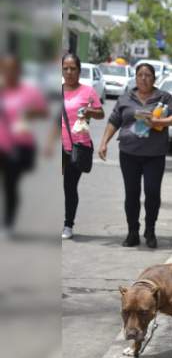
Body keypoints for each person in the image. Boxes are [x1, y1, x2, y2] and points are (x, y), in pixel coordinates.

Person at [97, 63, 172, 248]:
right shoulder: (125, 98)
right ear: (135, 78)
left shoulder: (163, 97)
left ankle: (150, 230)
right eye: (140, 75)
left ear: (154, 78)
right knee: (132, 194)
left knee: (152, 193)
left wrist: (159, 121)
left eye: (148, 75)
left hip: (155, 154)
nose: (144, 78)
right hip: (129, 153)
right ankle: (132, 232)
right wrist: (104, 142)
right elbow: (114, 121)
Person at [0, 55, 48, 237]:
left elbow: (44, 112)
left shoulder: (29, 91)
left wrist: (30, 112)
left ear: (18, 71)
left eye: (12, 68)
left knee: (10, 185)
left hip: (18, 146)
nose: (9, 72)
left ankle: (9, 222)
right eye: (5, 69)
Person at [59, 53, 105, 240]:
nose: (69, 72)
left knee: (69, 187)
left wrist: (90, 111)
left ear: (79, 70)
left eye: (73, 68)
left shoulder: (88, 92)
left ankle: (68, 225)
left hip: (76, 147)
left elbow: (101, 113)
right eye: (65, 68)